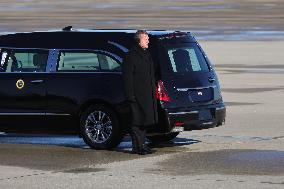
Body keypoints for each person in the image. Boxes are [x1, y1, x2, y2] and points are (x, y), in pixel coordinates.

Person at [122, 30, 158, 155]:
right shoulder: (131, 56)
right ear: (138, 40)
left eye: (148, 38)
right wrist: (130, 95)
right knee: (136, 122)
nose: (148, 41)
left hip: (147, 95)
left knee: (144, 121)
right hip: (136, 95)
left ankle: (142, 145)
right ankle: (137, 147)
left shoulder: (146, 54)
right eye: (145, 39)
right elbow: (127, 78)